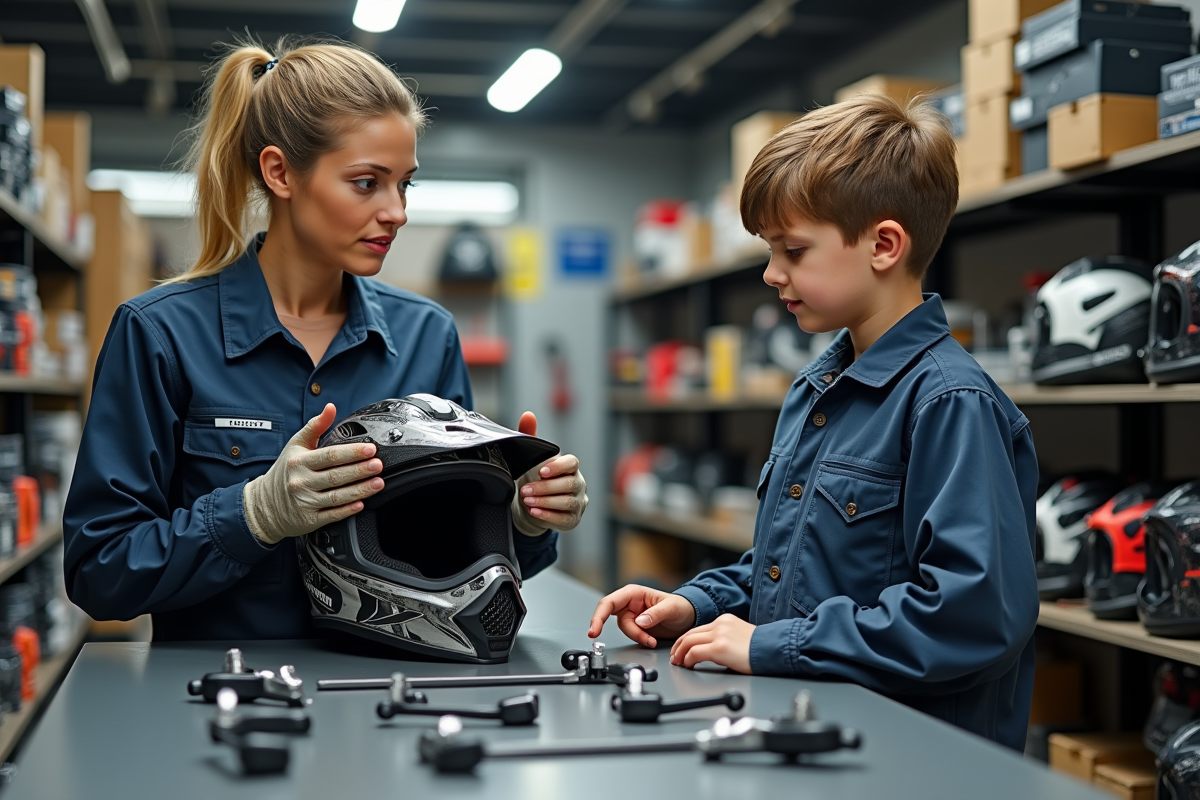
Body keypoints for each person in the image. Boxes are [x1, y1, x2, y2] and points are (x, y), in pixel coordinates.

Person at [62, 38, 588, 642]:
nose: (397, 212)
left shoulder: (427, 336)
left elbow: (465, 564)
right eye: (367, 183)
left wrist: (522, 517)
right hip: (217, 704)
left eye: (405, 185)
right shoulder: (158, 333)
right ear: (279, 172)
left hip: (390, 700)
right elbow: (99, 571)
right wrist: (254, 514)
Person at [588, 95, 1039, 751]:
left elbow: (969, 617)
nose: (772, 274)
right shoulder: (817, 389)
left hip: (917, 761)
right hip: (816, 736)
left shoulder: (950, 404)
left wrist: (774, 644)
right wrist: (696, 606)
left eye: (793, 250)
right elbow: (790, 571)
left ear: (884, 245)